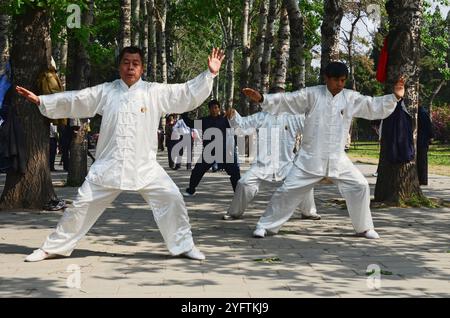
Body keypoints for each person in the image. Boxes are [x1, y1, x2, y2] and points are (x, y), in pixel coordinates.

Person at [16, 46, 225, 262]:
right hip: (108, 165)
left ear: (142, 68)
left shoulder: (154, 92)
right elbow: (77, 99)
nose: (130, 67)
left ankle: (183, 245)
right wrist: (43, 101)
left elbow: (184, 92)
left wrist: (210, 74)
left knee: (172, 198)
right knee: (81, 205)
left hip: (146, 166)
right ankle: (53, 247)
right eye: (126, 62)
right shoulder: (106, 91)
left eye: (135, 63)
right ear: (119, 67)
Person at [242, 62, 405, 239]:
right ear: (326, 78)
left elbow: (372, 105)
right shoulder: (311, 94)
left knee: (360, 185)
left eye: (343, 80)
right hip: (309, 158)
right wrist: (262, 99)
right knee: (287, 191)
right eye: (336, 80)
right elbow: (288, 100)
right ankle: (265, 226)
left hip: (338, 158)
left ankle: (364, 227)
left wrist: (394, 97)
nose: (340, 84)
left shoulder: (350, 98)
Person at [223, 106, 320, 222]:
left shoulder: (294, 118)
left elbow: (311, 128)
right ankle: (234, 213)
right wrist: (233, 116)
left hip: (286, 163)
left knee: (304, 181)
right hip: (262, 164)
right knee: (244, 183)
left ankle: (309, 212)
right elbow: (242, 126)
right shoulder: (261, 117)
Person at [183, 99, 241, 196]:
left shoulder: (225, 120)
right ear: (209, 109)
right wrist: (184, 113)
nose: (214, 110)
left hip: (224, 151)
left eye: (216, 107)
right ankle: (191, 190)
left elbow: (237, 124)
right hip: (209, 152)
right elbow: (190, 123)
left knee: (234, 172)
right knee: (197, 171)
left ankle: (239, 193)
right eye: (212, 108)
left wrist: (234, 113)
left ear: (219, 109)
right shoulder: (204, 121)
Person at [417, 106, 434, 185]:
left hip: (421, 139)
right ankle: (422, 179)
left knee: (421, 159)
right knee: (422, 160)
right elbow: (429, 126)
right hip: (423, 139)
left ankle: (421, 179)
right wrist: (431, 136)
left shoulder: (421, 113)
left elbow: (428, 126)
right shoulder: (423, 112)